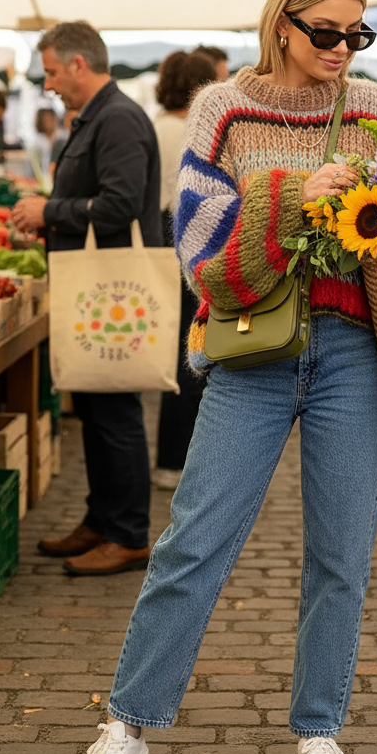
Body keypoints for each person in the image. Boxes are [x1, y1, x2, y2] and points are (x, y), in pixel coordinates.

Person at [71, 0, 377, 754]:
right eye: (326, 31)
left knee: (341, 555)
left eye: (357, 34)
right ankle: (127, 725)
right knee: (192, 544)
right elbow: (199, 251)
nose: (341, 48)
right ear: (282, 23)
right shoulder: (223, 109)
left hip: (354, 353)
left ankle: (319, 729)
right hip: (252, 352)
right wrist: (293, 195)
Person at [11, 21, 161, 577]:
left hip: (112, 290)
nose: (48, 84)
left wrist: (48, 212)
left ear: (79, 64)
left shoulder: (118, 119)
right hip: (95, 287)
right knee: (97, 408)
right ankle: (102, 519)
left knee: (115, 410)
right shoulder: (98, 117)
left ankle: (129, 535)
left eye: (52, 72)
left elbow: (120, 204)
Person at [151, 49, 218, 489]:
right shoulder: (187, 133)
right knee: (188, 354)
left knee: (177, 350)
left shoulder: (156, 125)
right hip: (182, 242)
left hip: (160, 240)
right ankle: (176, 461)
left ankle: (170, 459)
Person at [33, 106, 62, 177]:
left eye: (51, 118)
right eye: (45, 119)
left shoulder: (62, 139)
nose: (48, 122)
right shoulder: (37, 142)